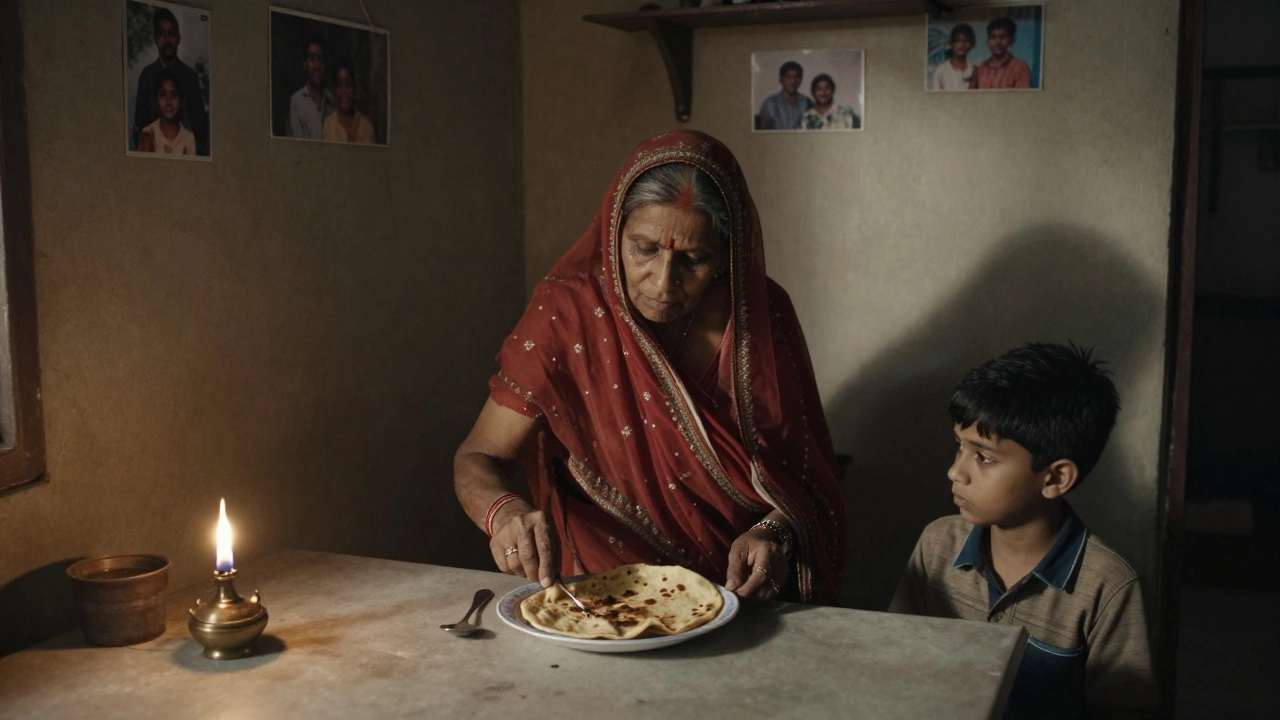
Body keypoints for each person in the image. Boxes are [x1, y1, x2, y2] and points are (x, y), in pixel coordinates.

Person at [453, 130, 847, 606]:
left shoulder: (763, 314)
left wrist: (771, 533)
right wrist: (506, 512)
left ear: (725, 254)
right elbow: (479, 456)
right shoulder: (570, 312)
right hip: (603, 591)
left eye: (694, 259)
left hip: (737, 592)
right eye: (644, 249)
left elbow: (807, 478)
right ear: (613, 233)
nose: (664, 281)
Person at [889, 343, 1157, 719]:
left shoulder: (1109, 587)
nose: (955, 472)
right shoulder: (937, 544)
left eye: (983, 457)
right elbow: (895, 659)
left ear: (1055, 478)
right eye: (959, 447)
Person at [131, 7, 209, 155]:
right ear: (155, 38)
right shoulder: (147, 75)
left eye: (172, 34)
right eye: (162, 34)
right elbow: (140, 123)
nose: (167, 40)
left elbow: (199, 125)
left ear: (178, 39)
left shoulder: (189, 77)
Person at [136, 69, 197, 156]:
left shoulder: (188, 138)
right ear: (156, 100)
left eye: (174, 95)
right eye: (163, 95)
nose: (169, 102)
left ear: (181, 100)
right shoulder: (148, 133)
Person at [287, 37, 334, 139]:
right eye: (312, 59)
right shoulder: (297, 101)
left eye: (320, 59)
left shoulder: (332, 101)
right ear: (305, 64)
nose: (316, 66)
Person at [322, 59, 376, 144]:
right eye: (339, 84)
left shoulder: (366, 126)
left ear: (354, 88)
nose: (344, 91)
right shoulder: (328, 125)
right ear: (334, 90)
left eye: (348, 84)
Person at [975, 17, 1032, 90]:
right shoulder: (981, 68)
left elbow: (1021, 98)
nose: (997, 42)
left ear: (1011, 41)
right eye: (993, 37)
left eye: (1002, 37)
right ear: (987, 41)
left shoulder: (1020, 67)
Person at [756, 61, 813, 130]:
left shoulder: (807, 102)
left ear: (801, 79)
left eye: (797, 77)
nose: (793, 81)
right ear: (781, 80)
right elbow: (762, 132)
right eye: (788, 77)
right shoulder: (770, 104)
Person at [931, 23, 977, 91]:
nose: (962, 45)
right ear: (951, 44)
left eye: (966, 41)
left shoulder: (974, 69)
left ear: (972, 44)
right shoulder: (941, 71)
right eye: (958, 41)